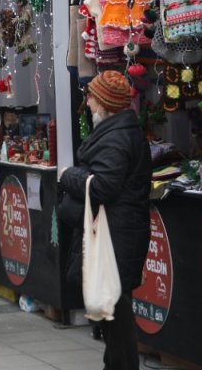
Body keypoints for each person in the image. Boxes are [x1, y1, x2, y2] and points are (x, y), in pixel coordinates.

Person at [58, 71, 153, 370]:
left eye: (90, 97)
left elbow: (102, 186)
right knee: (113, 306)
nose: (86, 103)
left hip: (116, 234)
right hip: (117, 230)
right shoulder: (119, 132)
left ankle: (121, 366)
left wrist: (66, 175)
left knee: (115, 307)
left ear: (104, 103)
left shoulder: (116, 138)